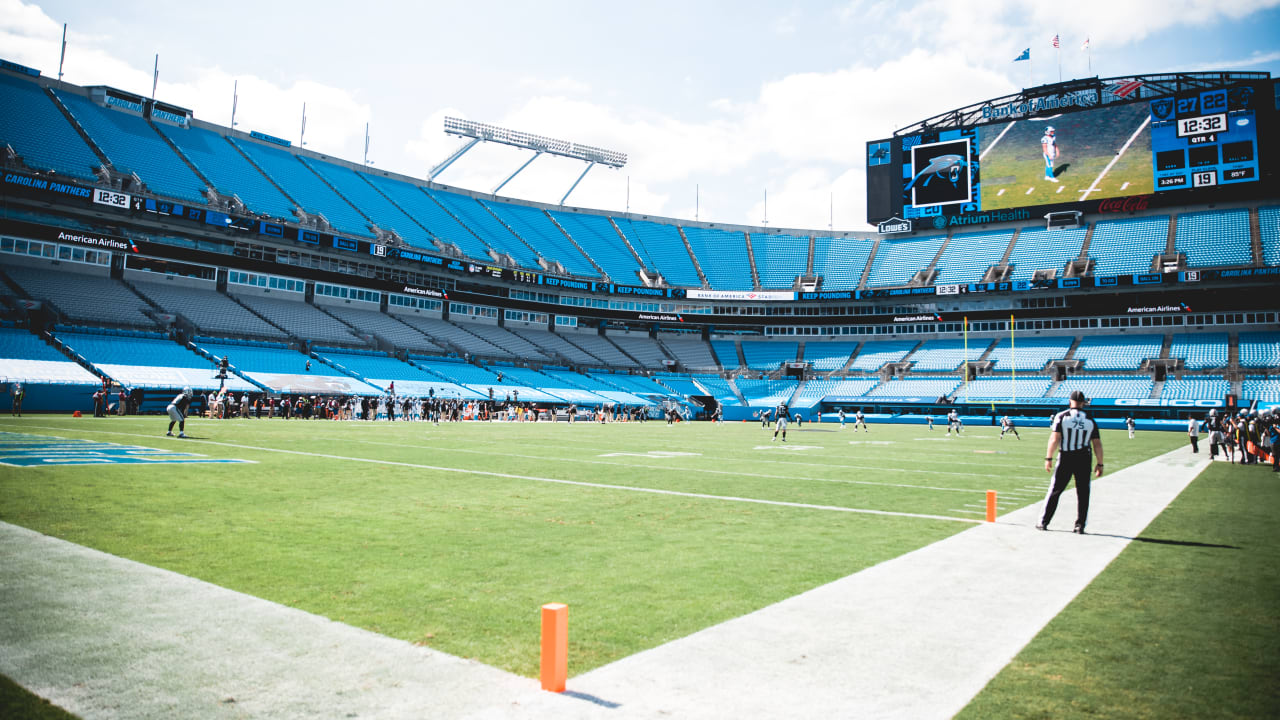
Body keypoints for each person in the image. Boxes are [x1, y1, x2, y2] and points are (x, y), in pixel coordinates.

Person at [1037, 390, 1103, 534]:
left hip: (1066, 456)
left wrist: (1048, 458)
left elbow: (1054, 439)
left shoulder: (1062, 416)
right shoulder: (1090, 419)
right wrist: (1100, 463)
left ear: (1070, 401)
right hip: (1084, 458)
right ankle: (1080, 525)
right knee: (1083, 492)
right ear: (1083, 403)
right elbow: (1097, 443)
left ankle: (1044, 521)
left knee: (1055, 490)